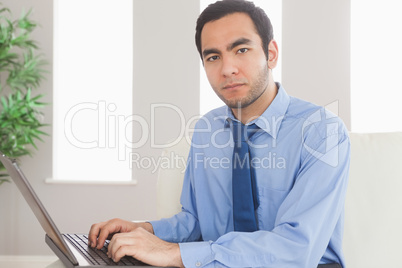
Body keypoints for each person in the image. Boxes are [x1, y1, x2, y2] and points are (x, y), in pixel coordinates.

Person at [88, 1, 350, 267]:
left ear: (271, 54)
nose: (227, 69)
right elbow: (197, 221)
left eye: (241, 49)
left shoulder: (322, 132)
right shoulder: (207, 130)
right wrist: (145, 231)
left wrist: (174, 253)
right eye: (213, 57)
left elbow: (296, 249)